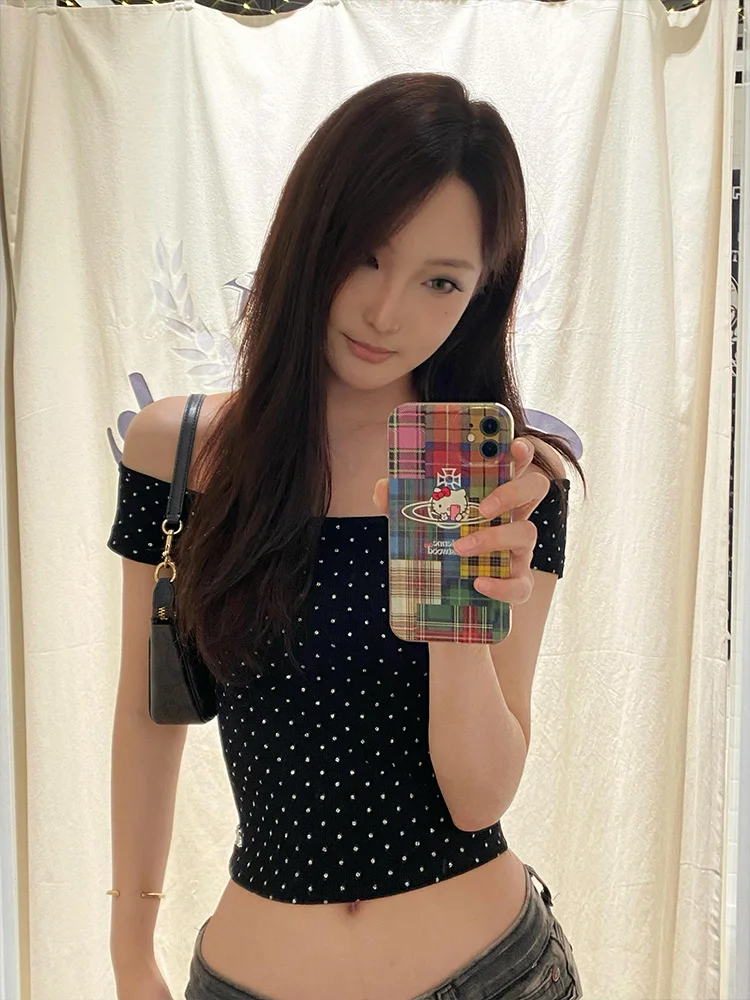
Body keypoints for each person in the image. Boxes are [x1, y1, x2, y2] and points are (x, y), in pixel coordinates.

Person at [107, 72, 586, 1000]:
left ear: (480, 294)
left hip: (489, 974)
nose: (386, 311)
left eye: (440, 281)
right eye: (366, 256)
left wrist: (456, 585)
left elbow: (479, 797)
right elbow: (148, 710)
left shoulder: (506, 480)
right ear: (310, 235)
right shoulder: (178, 453)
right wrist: (132, 953)